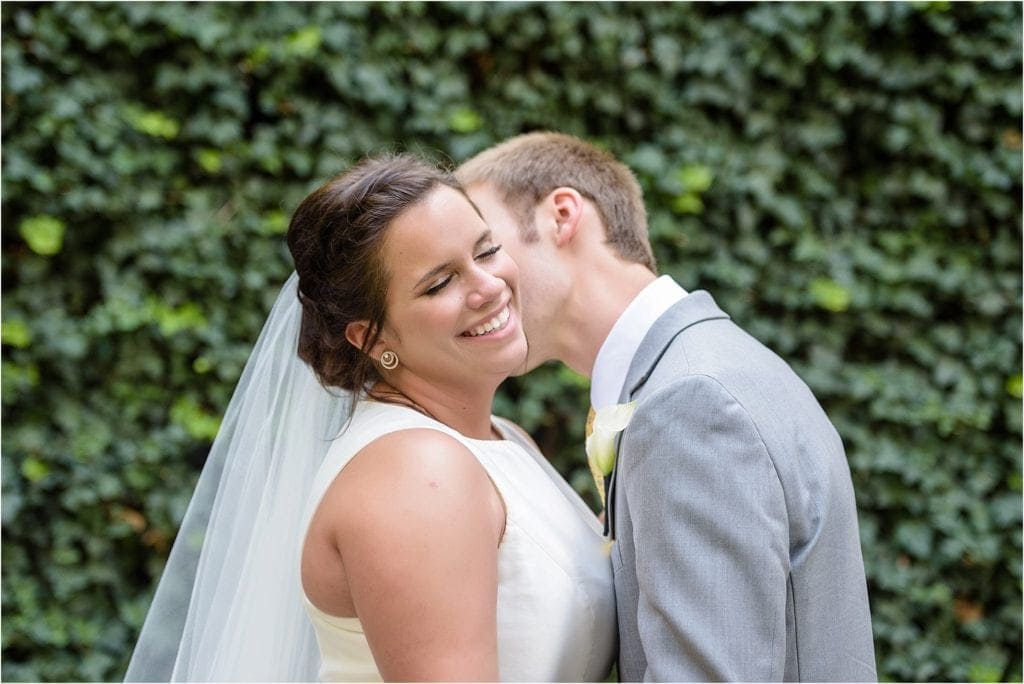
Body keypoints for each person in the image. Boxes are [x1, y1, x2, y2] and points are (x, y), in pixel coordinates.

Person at [125, 154, 615, 682]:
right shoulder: (418, 473)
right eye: (439, 283)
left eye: (487, 250)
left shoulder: (502, 439)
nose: (489, 286)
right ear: (372, 337)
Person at [457, 132, 877, 682]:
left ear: (562, 215)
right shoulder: (703, 372)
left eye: (487, 247)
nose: (478, 282)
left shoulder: (691, 403)